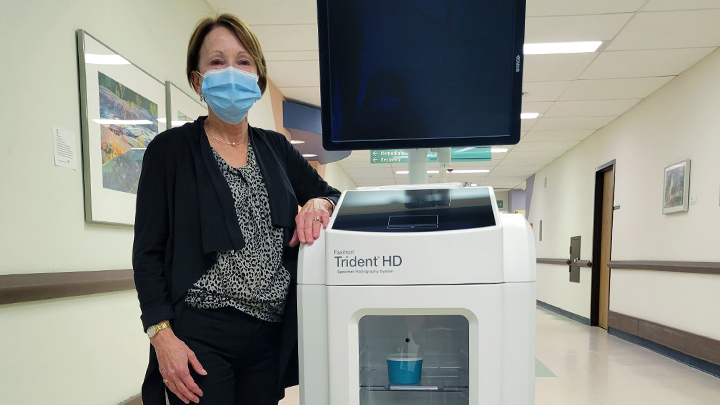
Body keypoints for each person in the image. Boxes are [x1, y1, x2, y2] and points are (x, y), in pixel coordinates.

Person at [132, 14, 340, 405]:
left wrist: (317, 201)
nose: (231, 71)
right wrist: (161, 336)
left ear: (258, 78)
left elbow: (331, 194)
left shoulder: (276, 148)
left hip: (268, 336)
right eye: (216, 61)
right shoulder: (171, 150)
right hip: (201, 333)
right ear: (198, 80)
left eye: (243, 62)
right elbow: (148, 252)